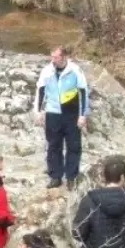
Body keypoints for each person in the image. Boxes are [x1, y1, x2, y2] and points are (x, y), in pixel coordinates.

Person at [33, 47, 90, 190]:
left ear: (64, 57)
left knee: (74, 146)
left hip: (71, 113)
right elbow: (40, 91)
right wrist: (38, 111)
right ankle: (55, 176)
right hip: (53, 112)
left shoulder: (75, 70)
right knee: (53, 146)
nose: (53, 60)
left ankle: (71, 177)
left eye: (56, 57)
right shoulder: (47, 71)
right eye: (52, 57)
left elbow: (83, 92)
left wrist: (83, 115)